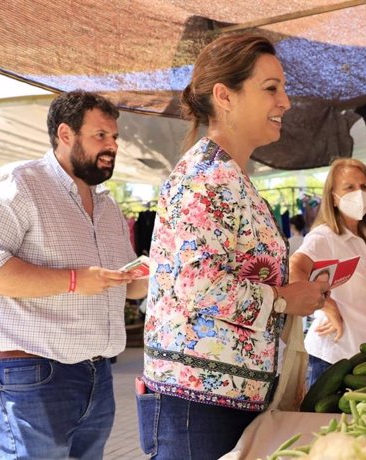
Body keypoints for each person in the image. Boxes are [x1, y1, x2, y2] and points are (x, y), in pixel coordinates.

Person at [140, 34, 328, 459]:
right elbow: (197, 286)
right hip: (198, 405)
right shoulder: (206, 179)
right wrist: (282, 300)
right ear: (224, 96)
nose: (286, 102)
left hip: (226, 398)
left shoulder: (231, 178)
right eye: (271, 88)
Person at [0, 90, 148, 459]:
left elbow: (130, 288)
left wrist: (158, 272)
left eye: (115, 137)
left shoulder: (106, 204)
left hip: (96, 374)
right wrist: (74, 280)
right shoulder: (18, 183)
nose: (112, 146)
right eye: (100, 136)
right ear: (65, 134)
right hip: (31, 372)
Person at [290, 158, 366, 387]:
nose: (359, 194)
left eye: (364, 187)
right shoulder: (324, 237)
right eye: (349, 187)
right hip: (336, 359)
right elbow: (293, 270)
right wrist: (326, 305)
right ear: (333, 197)